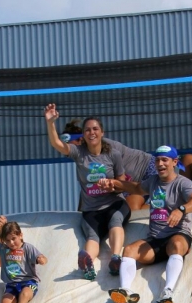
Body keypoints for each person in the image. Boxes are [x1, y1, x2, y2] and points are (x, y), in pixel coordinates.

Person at [98, 145, 192, 303]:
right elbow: (136, 188)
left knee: (176, 244)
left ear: (174, 162)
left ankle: (167, 291)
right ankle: (125, 290)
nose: (160, 164)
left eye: (164, 160)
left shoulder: (183, 183)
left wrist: (182, 209)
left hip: (178, 236)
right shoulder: (153, 181)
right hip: (155, 240)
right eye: (157, 160)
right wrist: (115, 183)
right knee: (129, 250)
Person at [44, 104, 130, 279]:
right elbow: (57, 143)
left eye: (95, 129)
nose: (92, 132)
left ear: (102, 132)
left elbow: (123, 182)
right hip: (91, 210)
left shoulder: (113, 154)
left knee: (115, 221)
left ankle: (115, 258)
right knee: (92, 236)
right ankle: (87, 261)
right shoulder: (78, 153)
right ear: (83, 134)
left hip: (114, 204)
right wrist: (50, 123)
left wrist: (112, 184)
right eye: (88, 130)